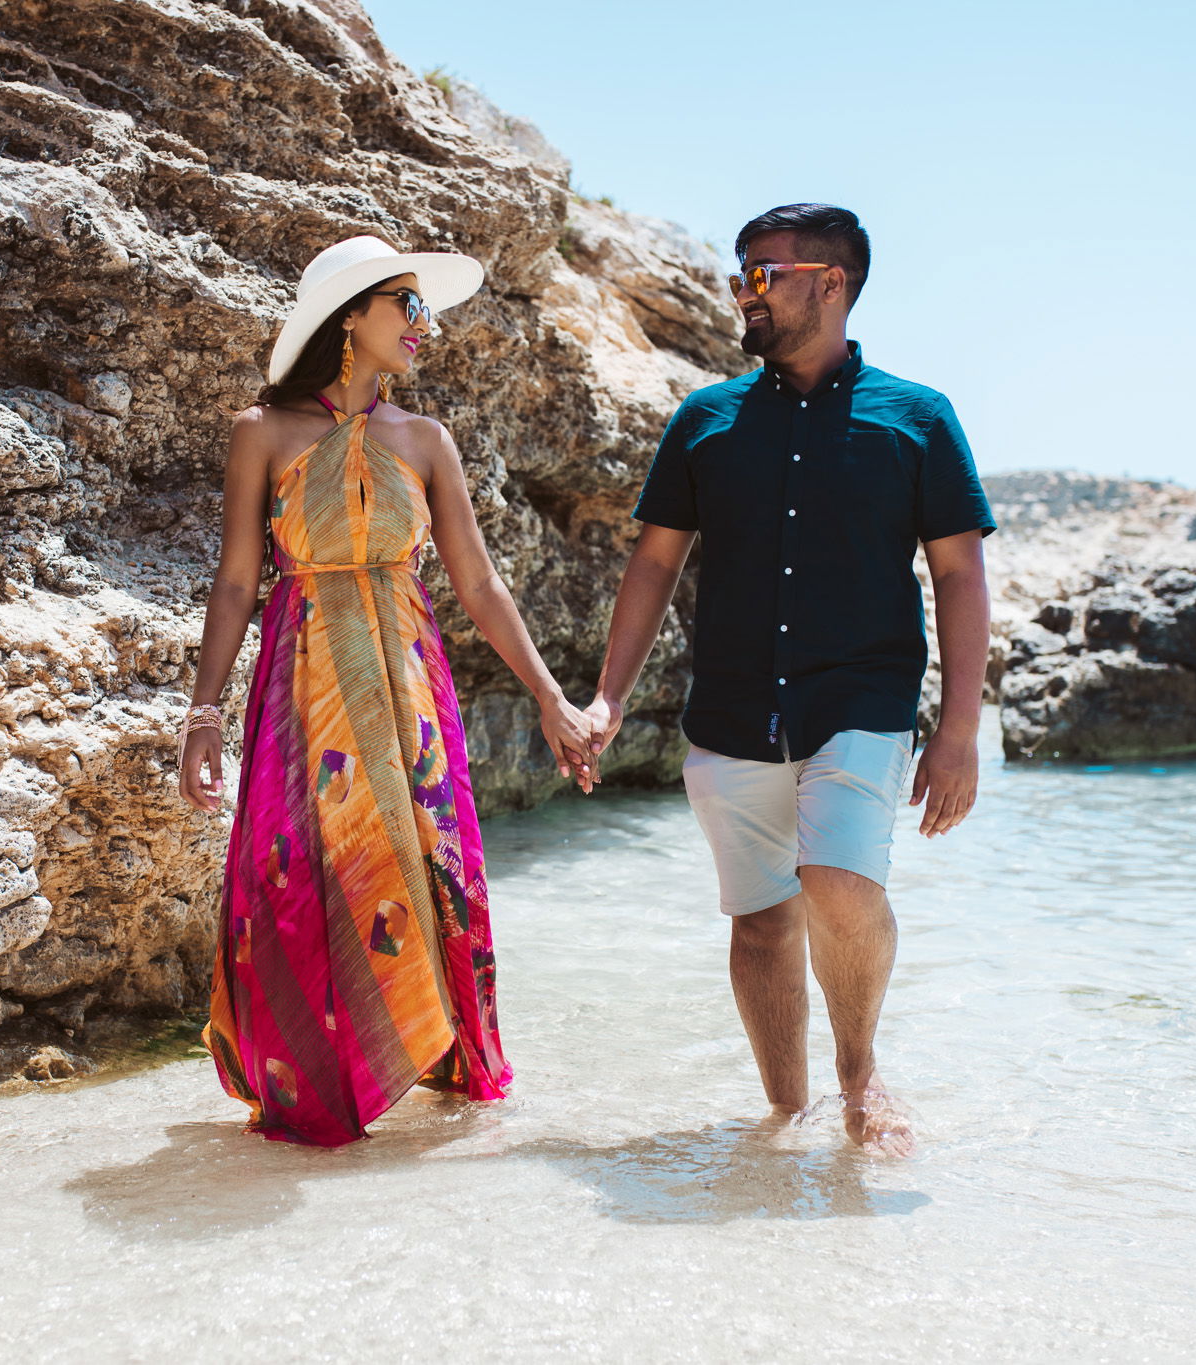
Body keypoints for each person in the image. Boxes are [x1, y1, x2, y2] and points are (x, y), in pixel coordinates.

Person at [583, 204, 994, 1156]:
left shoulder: (918, 417)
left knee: (841, 886)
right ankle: (782, 1116)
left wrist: (960, 727)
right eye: (740, 275)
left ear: (831, 283)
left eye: (764, 274)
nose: (744, 293)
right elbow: (653, 565)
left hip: (861, 699)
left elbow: (960, 573)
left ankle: (860, 1073)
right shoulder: (706, 418)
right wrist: (608, 694)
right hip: (730, 709)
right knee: (762, 926)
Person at [181, 235, 596, 1146]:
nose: (423, 325)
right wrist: (204, 711)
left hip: (411, 684)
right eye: (405, 305)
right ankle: (318, 1083)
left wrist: (548, 696)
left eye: (422, 309)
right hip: (305, 680)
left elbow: (480, 585)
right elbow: (236, 582)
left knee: (427, 867)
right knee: (307, 873)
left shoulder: (427, 441)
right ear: (350, 316)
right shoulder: (264, 432)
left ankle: (435, 1066)